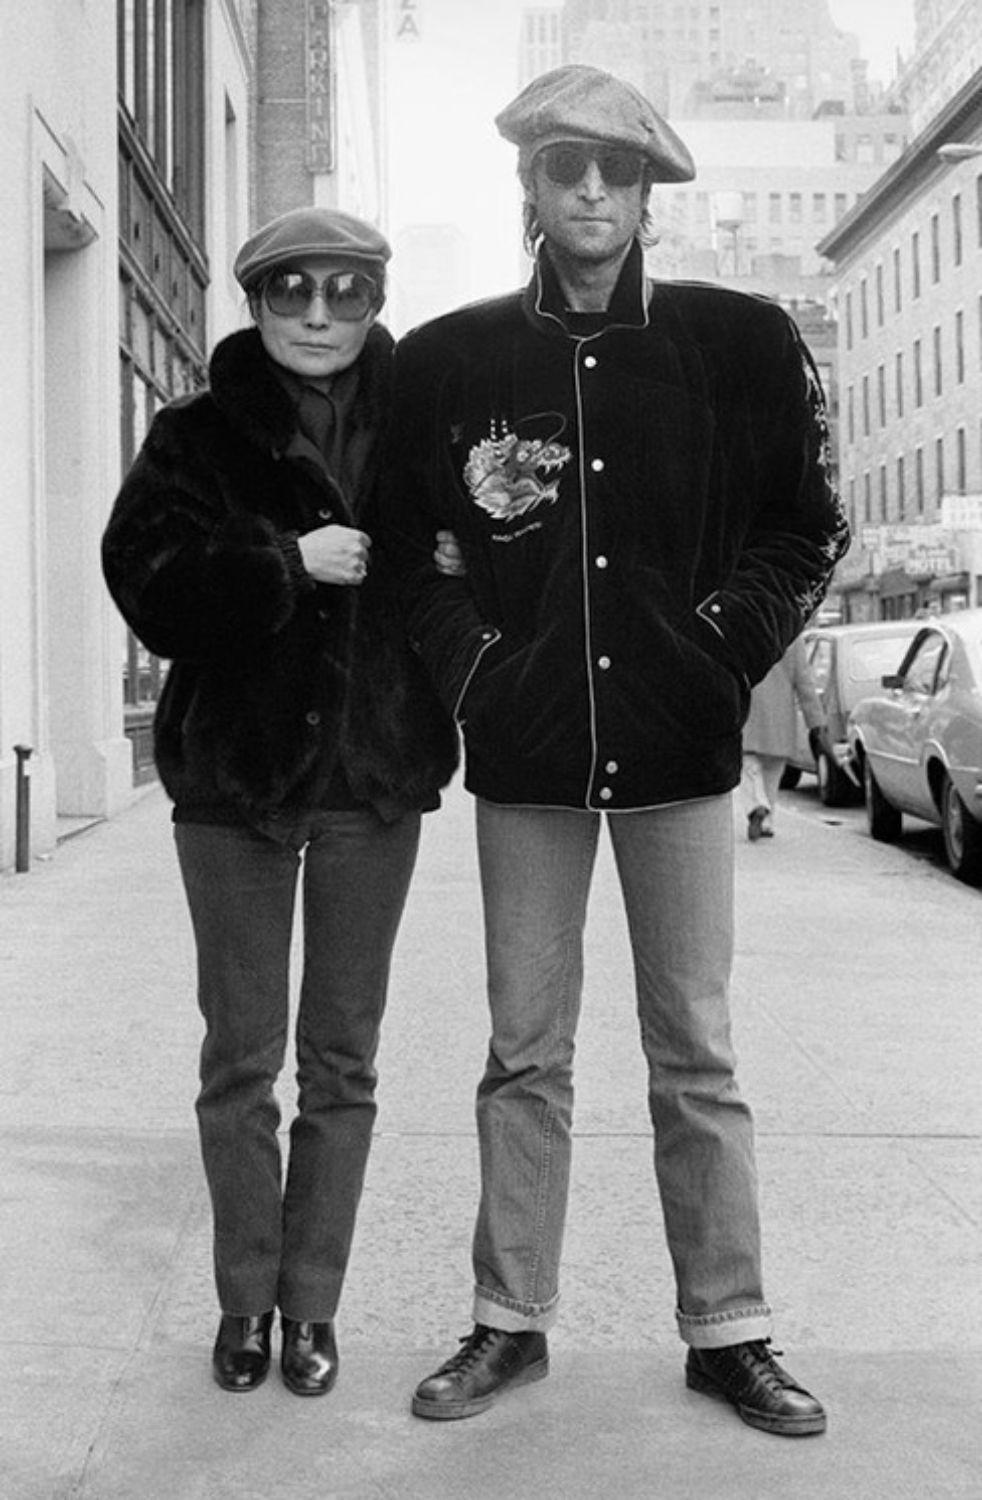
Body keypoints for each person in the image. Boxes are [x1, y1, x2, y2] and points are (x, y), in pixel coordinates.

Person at [380, 65, 849, 1436]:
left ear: (647, 192)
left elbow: (803, 525)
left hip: (677, 749)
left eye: (613, 171)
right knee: (523, 1049)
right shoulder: (453, 360)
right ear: (525, 184)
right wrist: (478, 669)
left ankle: (728, 1332)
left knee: (693, 1050)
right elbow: (413, 550)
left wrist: (716, 647)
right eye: (561, 167)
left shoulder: (735, 343)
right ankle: (508, 1322)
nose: (588, 190)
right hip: (527, 758)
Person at [102, 207, 457, 1397]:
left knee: (343, 1062)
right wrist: (279, 563)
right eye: (292, 291)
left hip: (372, 783)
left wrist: (448, 572)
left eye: (345, 292)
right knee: (240, 1063)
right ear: (255, 302)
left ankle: (314, 1309)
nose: (318, 315)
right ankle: (244, 1305)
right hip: (237, 790)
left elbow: (486, 564)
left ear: (373, 300)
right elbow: (144, 582)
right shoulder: (195, 435)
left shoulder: (422, 432)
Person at [741, 636, 834, 840]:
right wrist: (816, 723)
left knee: (749, 766)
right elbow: (804, 683)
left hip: (750, 714)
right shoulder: (791, 638)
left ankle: (757, 804)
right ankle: (767, 822)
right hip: (781, 718)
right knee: (773, 773)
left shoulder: (746, 633)